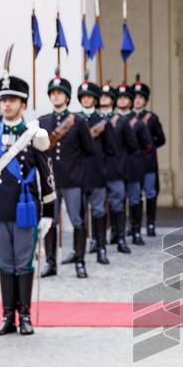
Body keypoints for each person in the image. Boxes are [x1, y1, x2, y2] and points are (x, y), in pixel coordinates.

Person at [0, 69, 55, 336]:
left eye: (12, 99)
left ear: (23, 104)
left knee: (23, 262)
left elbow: (47, 175)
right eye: (3, 99)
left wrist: (49, 213)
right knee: (5, 262)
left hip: (25, 208)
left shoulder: (35, 135)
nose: (6, 104)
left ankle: (25, 315)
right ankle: (8, 316)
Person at [38, 71, 96, 278]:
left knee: (77, 221)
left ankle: (80, 261)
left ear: (67, 97)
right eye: (53, 93)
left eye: (60, 93)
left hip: (73, 180)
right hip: (51, 182)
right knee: (50, 222)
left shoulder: (78, 122)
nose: (56, 96)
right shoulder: (43, 122)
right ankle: (51, 263)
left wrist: (83, 177)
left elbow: (89, 150)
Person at [98, 82, 139, 255]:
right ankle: (97, 241)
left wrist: (121, 162)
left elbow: (132, 145)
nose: (104, 99)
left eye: (108, 97)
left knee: (117, 204)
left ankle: (119, 237)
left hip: (115, 169)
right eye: (102, 96)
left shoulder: (121, 121)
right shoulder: (93, 120)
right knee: (98, 207)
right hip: (97, 170)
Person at [78, 77, 112, 266]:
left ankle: (101, 249)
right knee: (80, 214)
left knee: (98, 212)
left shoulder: (102, 121)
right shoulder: (73, 120)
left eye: (89, 97)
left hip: (97, 172)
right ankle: (79, 252)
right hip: (79, 173)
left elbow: (111, 149)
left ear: (95, 99)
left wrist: (105, 168)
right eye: (83, 97)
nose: (86, 99)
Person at [120, 80, 155, 247]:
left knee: (134, 199)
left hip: (133, 165)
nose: (122, 101)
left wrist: (138, 157)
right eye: (119, 98)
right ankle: (118, 233)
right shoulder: (113, 120)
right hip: (118, 166)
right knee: (119, 200)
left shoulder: (139, 122)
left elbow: (148, 145)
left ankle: (135, 232)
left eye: (125, 98)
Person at [132, 76, 166, 238]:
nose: (137, 101)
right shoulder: (127, 118)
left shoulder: (152, 118)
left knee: (150, 193)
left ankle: (151, 224)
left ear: (145, 101)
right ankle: (135, 226)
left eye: (140, 98)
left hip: (148, 162)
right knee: (134, 195)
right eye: (135, 98)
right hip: (132, 162)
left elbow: (161, 139)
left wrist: (149, 148)